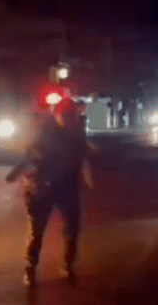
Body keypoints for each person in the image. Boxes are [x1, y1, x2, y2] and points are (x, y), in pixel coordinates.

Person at [6, 97, 94, 287]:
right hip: (43, 187)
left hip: (67, 187)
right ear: (57, 115)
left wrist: (86, 177)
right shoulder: (45, 133)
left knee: (72, 230)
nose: (69, 119)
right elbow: (32, 156)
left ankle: (68, 266)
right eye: (65, 115)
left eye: (71, 116)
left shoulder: (78, 133)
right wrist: (19, 172)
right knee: (37, 231)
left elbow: (82, 156)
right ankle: (30, 269)